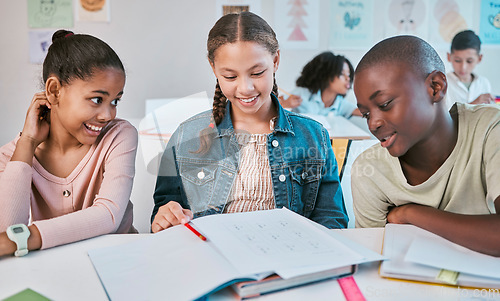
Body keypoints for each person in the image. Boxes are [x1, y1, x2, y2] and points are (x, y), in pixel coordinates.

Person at [151, 12, 348, 232]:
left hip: (287, 257)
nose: (245, 88)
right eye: (230, 77)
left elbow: (332, 217)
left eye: (256, 73)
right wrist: (166, 217)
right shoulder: (186, 135)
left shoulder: (313, 136)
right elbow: (163, 210)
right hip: (213, 260)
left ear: (275, 61)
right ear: (213, 67)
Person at [351, 35, 500, 256]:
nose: (373, 123)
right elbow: (370, 259)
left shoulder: (490, 129)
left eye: (384, 104)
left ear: (435, 87)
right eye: (366, 114)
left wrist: (411, 214)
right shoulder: (370, 170)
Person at [0, 30, 138, 257]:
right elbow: (8, 233)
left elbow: (107, 216)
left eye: (115, 101)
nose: (108, 115)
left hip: (121, 261)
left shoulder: (119, 135)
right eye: (97, 100)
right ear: (54, 91)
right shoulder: (12, 157)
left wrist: (25, 237)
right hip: (58, 271)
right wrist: (27, 142)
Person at [278, 51, 361, 118]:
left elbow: (363, 112)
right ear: (327, 75)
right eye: (342, 74)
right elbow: (274, 104)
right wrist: (286, 104)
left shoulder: (340, 103)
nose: (348, 79)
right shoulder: (302, 94)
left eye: (349, 75)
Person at [445, 30, 494, 110]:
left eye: (469, 61)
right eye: (457, 60)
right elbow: (443, 117)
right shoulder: (443, 83)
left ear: (479, 58)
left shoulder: (484, 83)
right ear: (449, 57)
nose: (463, 67)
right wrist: (474, 104)